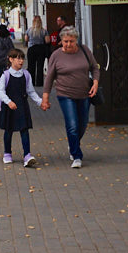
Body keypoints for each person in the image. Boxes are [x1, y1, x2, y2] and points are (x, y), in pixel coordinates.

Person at [40, 26, 100, 168]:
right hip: (65, 94)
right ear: (61, 40)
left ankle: (73, 144)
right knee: (72, 125)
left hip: (84, 94)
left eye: (71, 41)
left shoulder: (84, 50)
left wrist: (96, 83)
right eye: (65, 41)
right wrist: (45, 97)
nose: (68, 44)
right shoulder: (56, 55)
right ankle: (77, 156)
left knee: (82, 124)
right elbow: (49, 77)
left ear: (76, 40)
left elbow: (94, 67)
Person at [0, 48, 43, 166]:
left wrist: (40, 102)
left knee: (24, 130)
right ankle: (7, 153)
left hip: (22, 106)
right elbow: (1, 91)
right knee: (8, 130)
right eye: (18, 58)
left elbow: (30, 91)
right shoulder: (5, 75)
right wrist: (8, 102)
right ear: (11, 60)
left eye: (22, 58)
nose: (21, 61)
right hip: (9, 107)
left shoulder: (26, 74)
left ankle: (27, 155)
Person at [26, 15, 49, 87]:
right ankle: (39, 83)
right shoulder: (44, 31)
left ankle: (31, 82)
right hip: (40, 49)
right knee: (40, 66)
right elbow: (47, 41)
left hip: (31, 49)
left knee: (31, 66)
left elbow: (26, 39)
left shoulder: (29, 30)